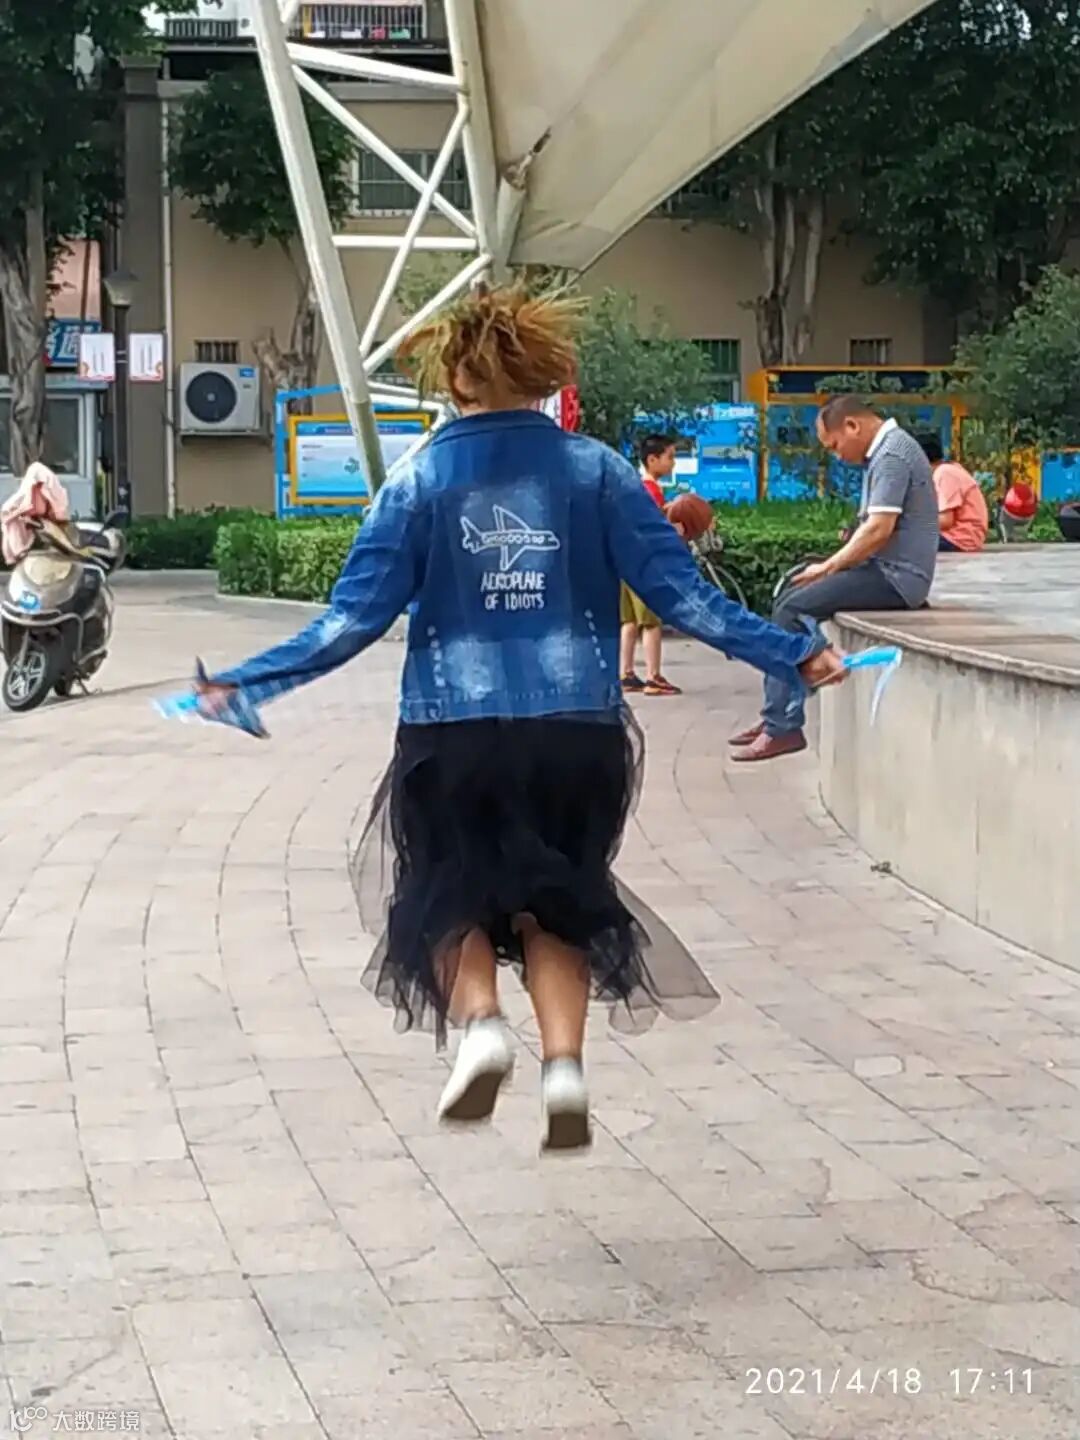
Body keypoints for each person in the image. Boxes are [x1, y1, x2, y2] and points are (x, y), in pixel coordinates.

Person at [176, 284, 845, 1152]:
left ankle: (484, 1030)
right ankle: (564, 1071)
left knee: (442, 897)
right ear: (542, 377)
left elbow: (350, 621)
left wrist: (247, 683)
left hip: (454, 732)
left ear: (454, 380)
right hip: (576, 731)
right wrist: (794, 654)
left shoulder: (418, 482)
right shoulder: (598, 472)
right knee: (559, 902)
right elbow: (685, 598)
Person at [731, 394, 937, 763]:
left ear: (853, 426)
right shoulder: (888, 451)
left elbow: (879, 530)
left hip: (897, 578)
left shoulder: (892, 455)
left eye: (835, 445)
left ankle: (783, 725)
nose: (837, 455)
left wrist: (829, 567)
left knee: (792, 609)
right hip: (884, 570)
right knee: (789, 594)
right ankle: (778, 711)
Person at [620, 434, 681, 697]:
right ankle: (653, 677)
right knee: (651, 622)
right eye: (670, 457)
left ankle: (626, 674)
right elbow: (653, 529)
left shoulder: (631, 486)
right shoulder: (651, 490)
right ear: (652, 459)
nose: (673, 463)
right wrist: (676, 530)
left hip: (625, 561)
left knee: (629, 621)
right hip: (645, 564)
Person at [917, 433, 989, 552]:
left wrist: (914, 524)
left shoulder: (944, 473)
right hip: (963, 537)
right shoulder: (949, 469)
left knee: (902, 541)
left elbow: (945, 521)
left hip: (959, 538)